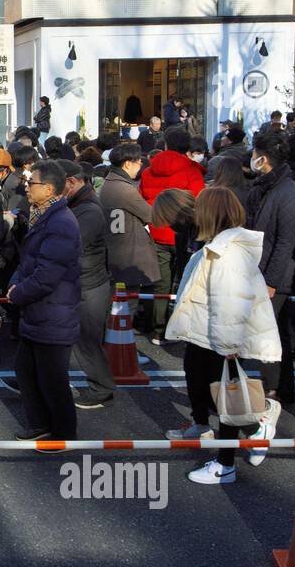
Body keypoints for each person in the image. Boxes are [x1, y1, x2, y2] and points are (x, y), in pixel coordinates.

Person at [163, 187, 282, 483]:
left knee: (225, 397)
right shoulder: (220, 245)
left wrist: (228, 345)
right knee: (207, 387)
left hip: (218, 338)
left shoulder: (226, 252)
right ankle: (253, 431)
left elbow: (230, 301)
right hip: (206, 332)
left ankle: (229, 460)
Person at [7, 160, 82, 442]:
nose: (27, 188)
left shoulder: (61, 222)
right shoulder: (43, 215)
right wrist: (15, 283)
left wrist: (18, 293)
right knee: (26, 370)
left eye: (32, 183)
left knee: (53, 380)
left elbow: (47, 275)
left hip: (53, 312)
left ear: (49, 189)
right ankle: (40, 426)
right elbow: (29, 262)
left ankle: (63, 434)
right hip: (39, 312)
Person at [245, 132, 295, 404]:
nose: (252, 158)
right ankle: (281, 387)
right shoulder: (264, 186)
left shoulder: (288, 191)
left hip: (275, 276)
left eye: (254, 153)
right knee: (275, 333)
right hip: (260, 270)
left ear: (263, 158)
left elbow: (285, 241)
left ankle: (272, 388)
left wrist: (270, 281)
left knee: (265, 335)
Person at [57, 160, 115, 409]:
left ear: (71, 182)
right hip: (80, 281)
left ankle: (101, 389)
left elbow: (70, 244)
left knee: (87, 341)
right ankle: (37, 377)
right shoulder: (79, 204)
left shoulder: (88, 209)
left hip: (88, 284)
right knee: (58, 336)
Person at [139, 127, 206, 336]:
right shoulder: (192, 171)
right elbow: (199, 203)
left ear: (165, 144)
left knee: (160, 281)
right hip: (184, 234)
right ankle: (181, 327)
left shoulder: (148, 171)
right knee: (187, 281)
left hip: (156, 229)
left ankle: (158, 328)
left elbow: (141, 198)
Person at [99, 142, 159, 327]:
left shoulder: (109, 183)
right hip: (127, 254)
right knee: (126, 307)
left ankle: (115, 349)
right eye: (138, 162)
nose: (140, 166)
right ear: (127, 163)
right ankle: (122, 352)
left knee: (117, 305)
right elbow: (149, 215)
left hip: (115, 251)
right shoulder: (125, 188)